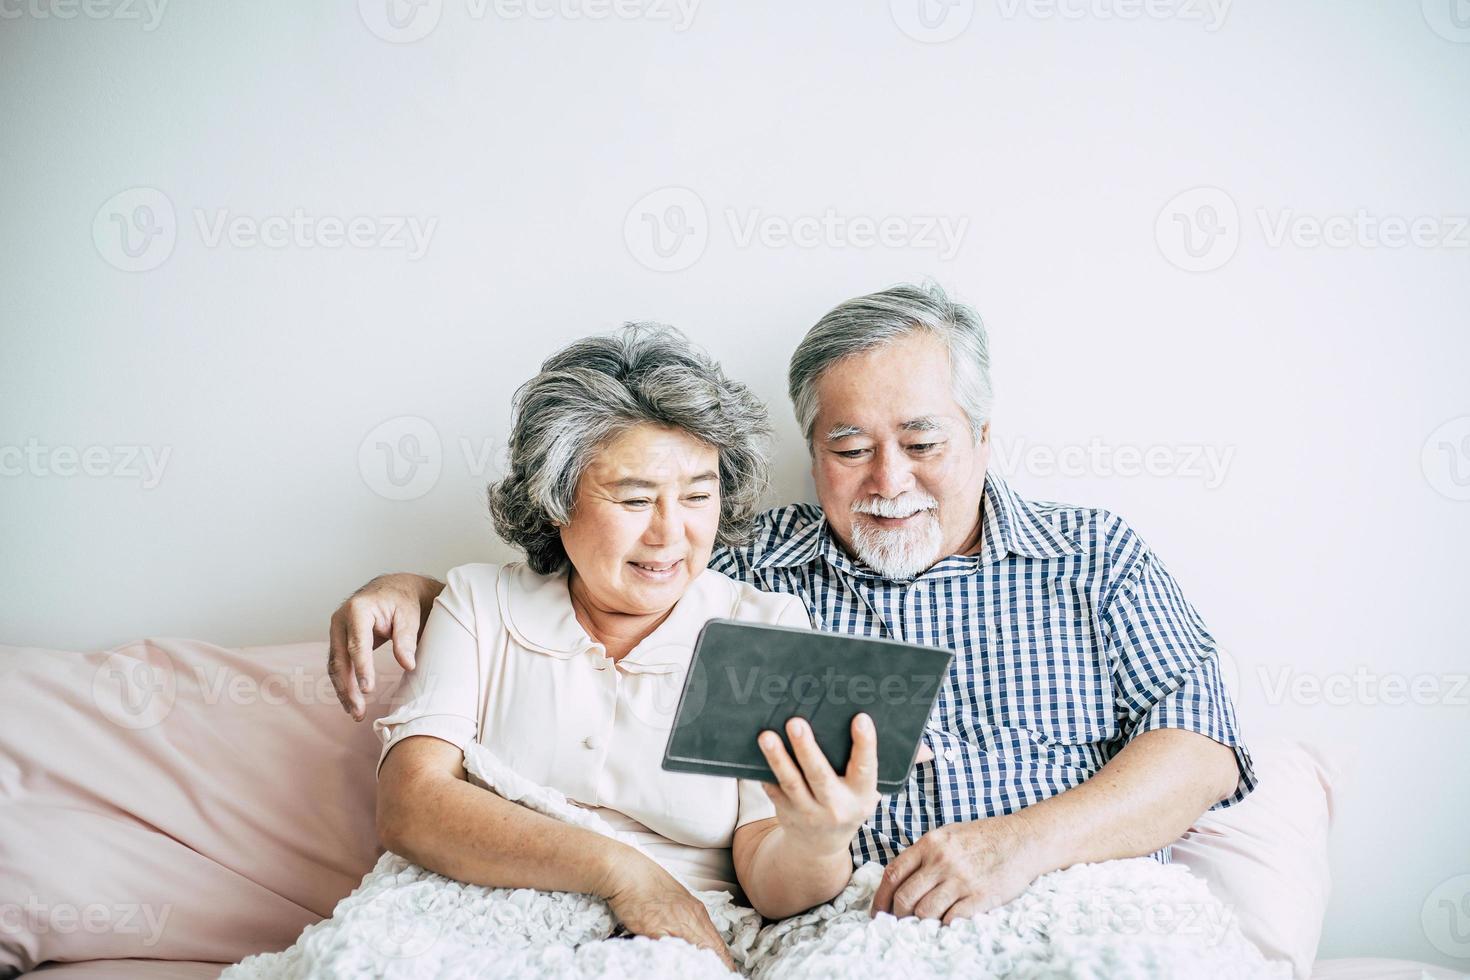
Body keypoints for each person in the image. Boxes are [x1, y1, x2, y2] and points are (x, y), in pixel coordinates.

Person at [334, 282, 1254, 927]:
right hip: (868, 918)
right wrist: (417, 591)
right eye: (849, 447)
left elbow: (1203, 748)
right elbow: (605, 561)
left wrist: (1018, 848)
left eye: (923, 440)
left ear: (982, 435)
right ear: (810, 452)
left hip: (1077, 887)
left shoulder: (1093, 557)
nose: (889, 480)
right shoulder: (756, 567)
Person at [370, 323, 879, 970]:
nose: (671, 533)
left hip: (678, 940)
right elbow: (410, 805)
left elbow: (772, 886)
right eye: (635, 498)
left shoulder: (762, 628)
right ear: (556, 499)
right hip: (466, 922)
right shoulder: (477, 604)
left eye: (698, 495)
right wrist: (622, 873)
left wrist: (818, 839)